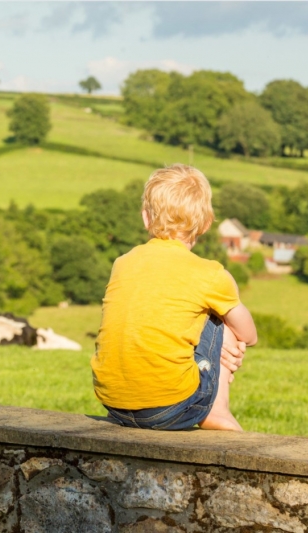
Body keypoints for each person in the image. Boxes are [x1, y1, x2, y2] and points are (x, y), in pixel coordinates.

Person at [91, 164, 257, 431]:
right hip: (171, 407)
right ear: (205, 224)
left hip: (114, 403)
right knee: (220, 317)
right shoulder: (210, 274)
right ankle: (218, 409)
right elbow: (249, 335)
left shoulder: (122, 263)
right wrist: (233, 335)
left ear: (146, 218)